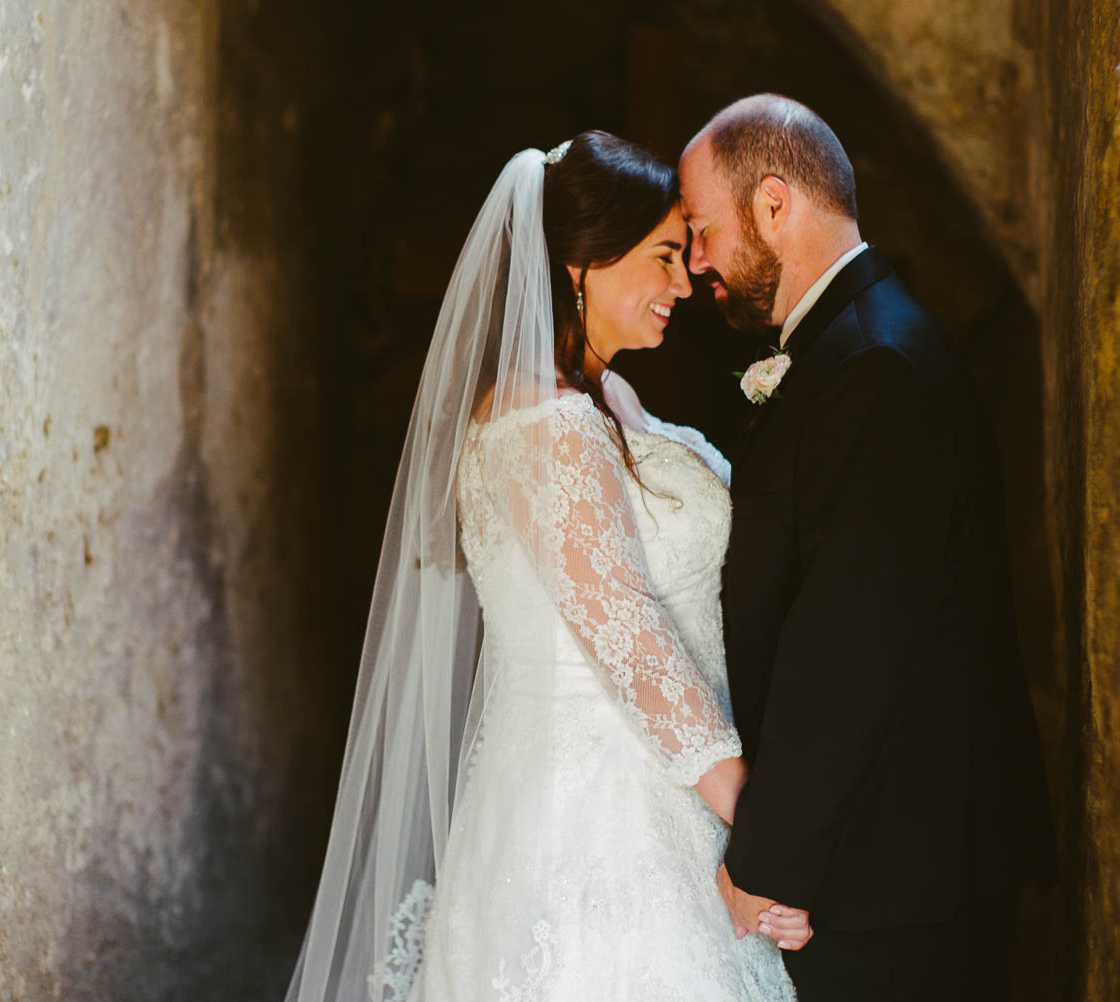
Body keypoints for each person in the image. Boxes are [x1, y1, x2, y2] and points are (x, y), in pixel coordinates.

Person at [285, 131, 798, 1002]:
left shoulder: (605, 400)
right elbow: (629, 636)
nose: (684, 283)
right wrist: (767, 830)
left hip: (647, 801)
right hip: (598, 825)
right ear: (580, 266)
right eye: (665, 255)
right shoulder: (548, 426)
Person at [678, 94, 1055, 1000]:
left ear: (774, 205)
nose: (695, 266)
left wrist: (767, 861)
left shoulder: (877, 365)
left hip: (900, 879)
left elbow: (852, 640)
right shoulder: (846, 350)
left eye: (699, 231)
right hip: (874, 869)